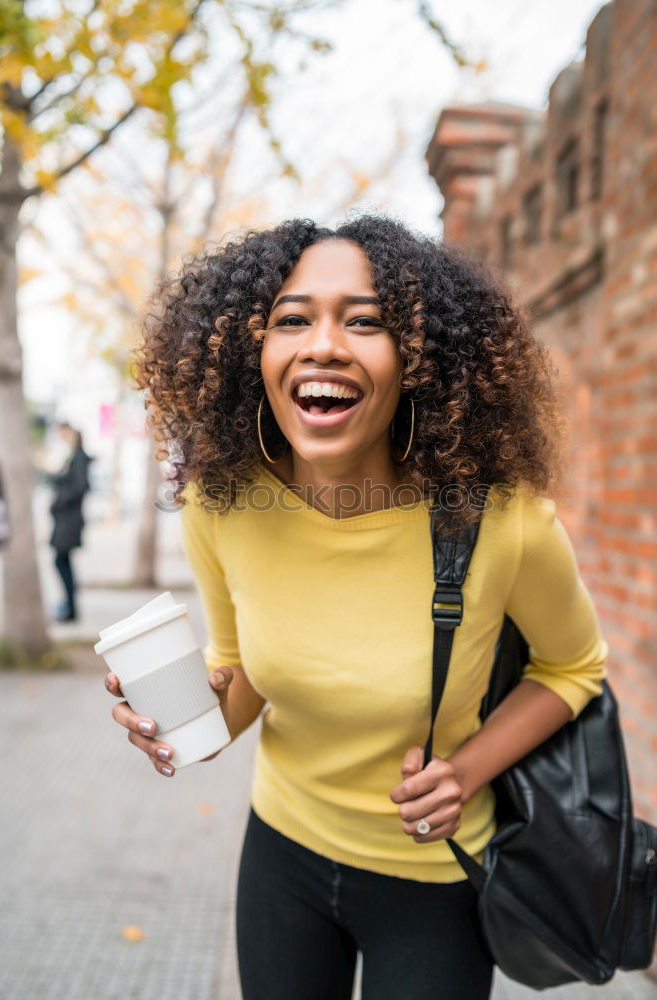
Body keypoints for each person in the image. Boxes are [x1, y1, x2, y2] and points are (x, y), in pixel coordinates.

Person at [104, 216, 608, 1000]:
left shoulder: (498, 522)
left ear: (419, 360)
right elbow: (240, 676)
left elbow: (573, 666)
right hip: (281, 856)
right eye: (291, 319)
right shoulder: (222, 502)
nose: (324, 345)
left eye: (365, 321)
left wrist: (466, 772)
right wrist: (176, 724)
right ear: (253, 354)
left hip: (433, 880)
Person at [47, 421, 92, 622]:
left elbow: (80, 487)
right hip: (65, 518)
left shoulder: (79, 457)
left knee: (60, 560)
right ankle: (69, 606)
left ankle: (71, 608)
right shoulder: (72, 456)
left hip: (70, 519)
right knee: (61, 561)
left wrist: (61, 500)